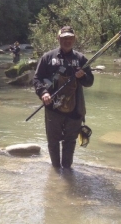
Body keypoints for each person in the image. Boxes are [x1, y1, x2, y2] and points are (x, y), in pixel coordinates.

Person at [33, 26, 94, 169]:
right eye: (64, 38)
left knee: (70, 141)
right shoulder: (47, 57)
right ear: (58, 38)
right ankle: (55, 171)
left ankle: (67, 170)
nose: (67, 41)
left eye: (70, 38)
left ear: (74, 39)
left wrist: (83, 75)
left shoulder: (81, 59)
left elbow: (89, 82)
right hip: (52, 107)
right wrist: (44, 93)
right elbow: (37, 79)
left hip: (75, 108)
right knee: (53, 141)